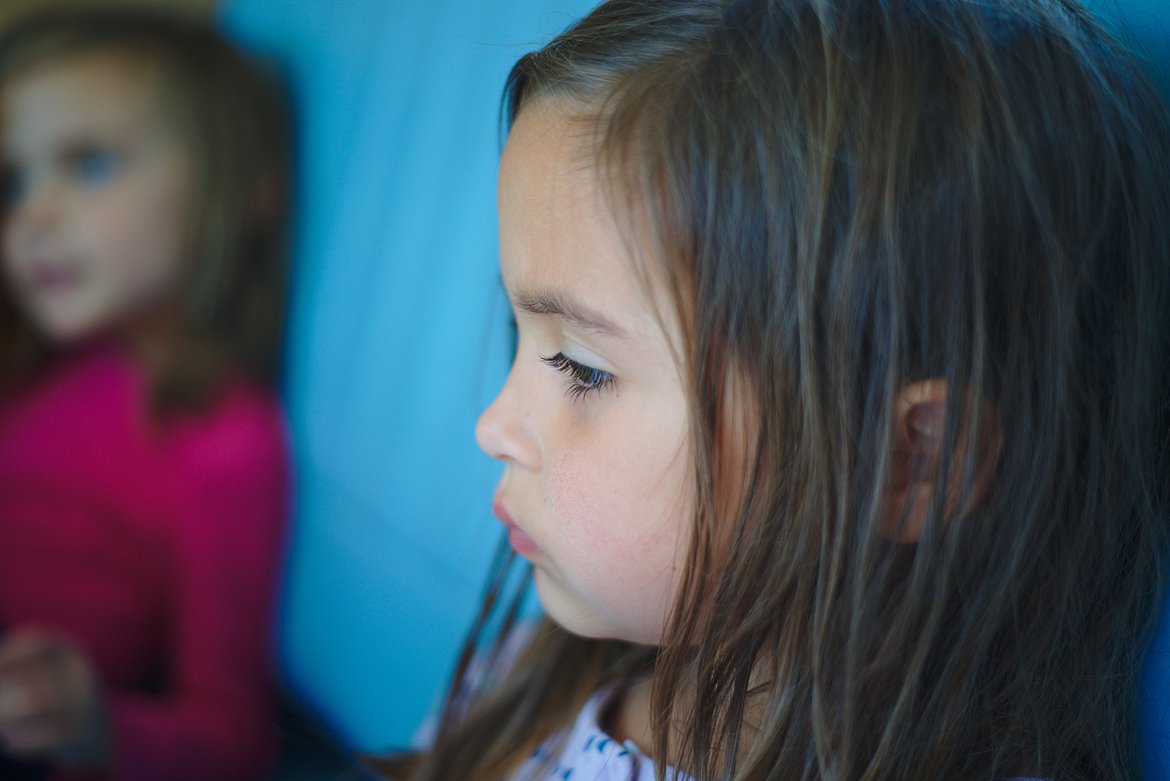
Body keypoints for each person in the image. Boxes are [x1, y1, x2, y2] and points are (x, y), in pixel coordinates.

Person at [376, 0, 1170, 779]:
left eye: (584, 367)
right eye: (524, 338)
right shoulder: (522, 677)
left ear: (908, 464)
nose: (493, 425)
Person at [0, 6, 291, 780]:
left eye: (89, 163)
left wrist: (96, 728)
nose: (33, 216)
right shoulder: (26, 370)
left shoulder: (222, 439)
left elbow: (233, 737)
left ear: (239, 188)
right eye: (12, 182)